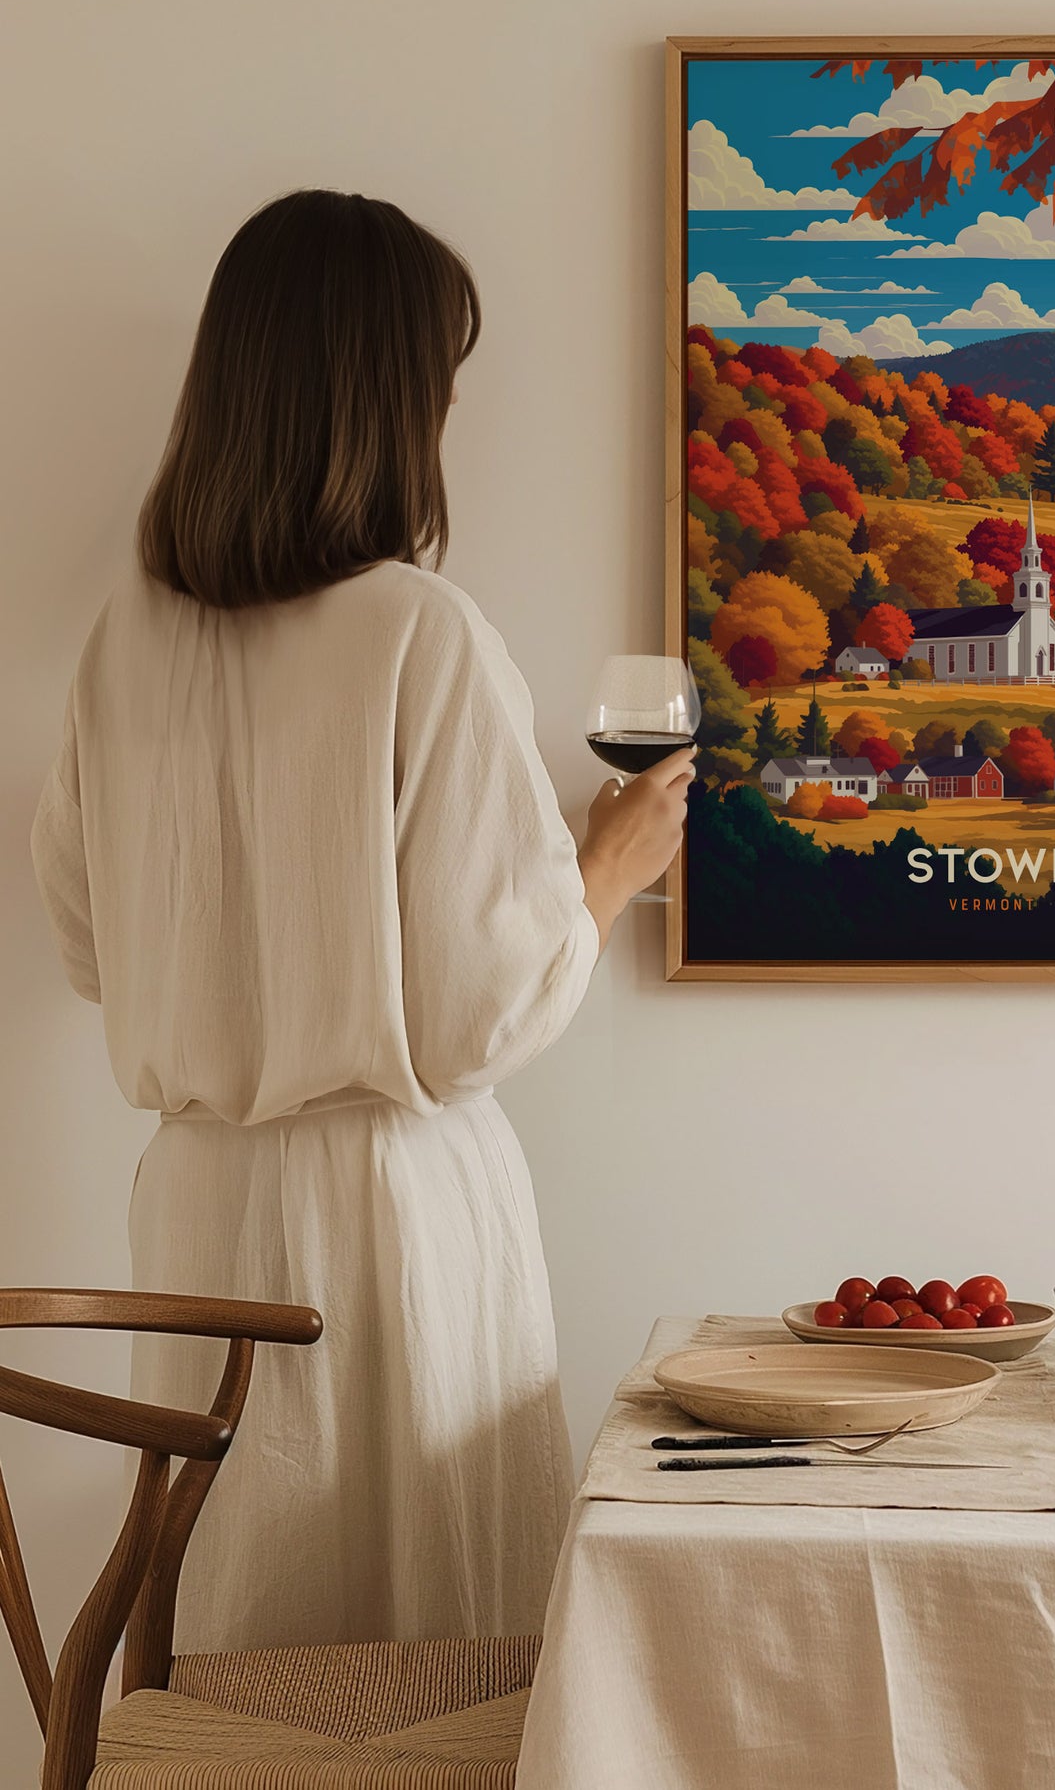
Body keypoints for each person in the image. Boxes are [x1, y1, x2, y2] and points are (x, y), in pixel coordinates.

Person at [29, 189, 690, 1650]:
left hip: (197, 1205)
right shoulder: (417, 629)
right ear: (388, 400)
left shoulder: (122, 641)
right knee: (423, 1655)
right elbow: (474, 1017)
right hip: (390, 1216)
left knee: (241, 1635)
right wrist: (606, 864)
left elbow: (87, 944)